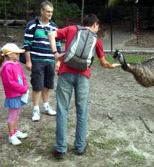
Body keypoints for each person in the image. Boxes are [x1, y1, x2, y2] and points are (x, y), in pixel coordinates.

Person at [48, 14, 121, 159]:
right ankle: (80, 146)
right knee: (82, 111)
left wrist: (56, 53)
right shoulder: (96, 40)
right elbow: (103, 62)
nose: (97, 30)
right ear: (94, 24)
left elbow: (51, 34)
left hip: (65, 73)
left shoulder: (71, 29)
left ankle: (60, 149)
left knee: (62, 110)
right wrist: (111, 66)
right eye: (98, 27)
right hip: (83, 76)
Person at [23, 0, 61, 121]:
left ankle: (46, 106)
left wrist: (58, 61)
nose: (50, 14)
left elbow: (58, 44)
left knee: (48, 85)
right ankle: (35, 110)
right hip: (37, 60)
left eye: (52, 12)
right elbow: (27, 44)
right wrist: (28, 61)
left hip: (50, 60)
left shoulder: (54, 26)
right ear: (41, 11)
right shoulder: (32, 25)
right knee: (37, 86)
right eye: (48, 11)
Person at [0, 43, 29, 146]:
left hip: (19, 93)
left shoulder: (17, 64)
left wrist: (25, 86)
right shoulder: (7, 67)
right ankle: (11, 135)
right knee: (13, 115)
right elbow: (10, 83)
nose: (18, 55)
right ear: (10, 55)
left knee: (17, 113)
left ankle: (15, 131)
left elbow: (23, 76)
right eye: (16, 53)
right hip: (13, 95)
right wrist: (22, 88)